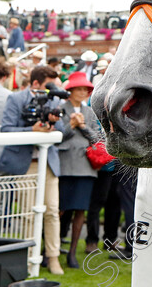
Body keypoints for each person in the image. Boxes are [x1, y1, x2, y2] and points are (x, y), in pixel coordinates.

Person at [0, 65, 66, 275]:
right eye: (48, 85)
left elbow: (63, 131)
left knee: (52, 212)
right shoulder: (16, 99)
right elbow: (6, 129)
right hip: (26, 163)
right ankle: (27, 258)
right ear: (35, 83)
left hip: (48, 163)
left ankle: (52, 258)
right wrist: (31, 130)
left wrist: (54, 124)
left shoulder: (54, 100)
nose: (52, 89)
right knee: (28, 213)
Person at [57, 72, 98, 269]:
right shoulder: (59, 109)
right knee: (59, 210)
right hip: (63, 165)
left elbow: (97, 139)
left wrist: (81, 126)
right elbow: (56, 137)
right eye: (79, 89)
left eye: (85, 89)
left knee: (81, 210)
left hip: (84, 167)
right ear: (70, 90)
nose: (82, 92)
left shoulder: (90, 112)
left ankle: (72, 252)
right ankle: (53, 249)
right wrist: (70, 126)